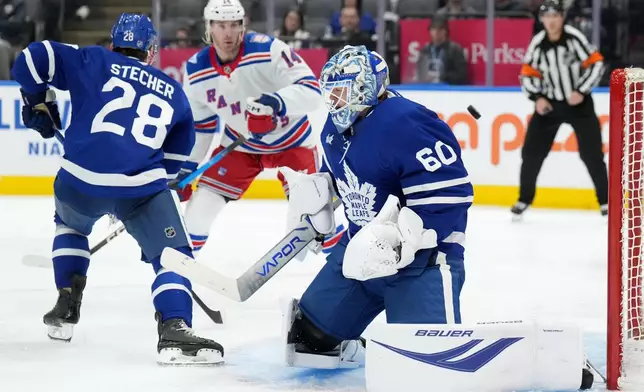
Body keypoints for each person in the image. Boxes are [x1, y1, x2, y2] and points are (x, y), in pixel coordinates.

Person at [11, 13, 223, 365]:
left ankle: (66, 303)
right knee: (172, 256)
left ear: (113, 44)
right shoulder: (172, 90)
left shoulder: (92, 58)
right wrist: (147, 198)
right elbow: (172, 162)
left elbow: (31, 59)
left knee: (71, 227)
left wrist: (36, 100)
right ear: (151, 51)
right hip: (139, 190)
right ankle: (174, 328)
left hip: (76, 180)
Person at [278, 45, 473, 368]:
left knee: (425, 366)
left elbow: (450, 194)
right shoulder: (333, 128)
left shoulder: (406, 122)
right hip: (357, 255)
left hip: (418, 263)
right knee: (310, 339)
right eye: (330, 94)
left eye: (340, 93)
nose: (332, 102)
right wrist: (320, 192)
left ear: (366, 88)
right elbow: (354, 177)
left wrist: (403, 240)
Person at [177, 0, 336, 257]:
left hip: (292, 142)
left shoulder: (270, 50)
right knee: (198, 211)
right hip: (241, 146)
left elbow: (313, 91)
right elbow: (203, 127)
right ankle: (178, 272)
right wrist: (187, 165)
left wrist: (276, 103)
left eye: (233, 25)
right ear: (209, 28)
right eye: (220, 25)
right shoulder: (196, 70)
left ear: (243, 26)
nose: (227, 33)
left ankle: (341, 274)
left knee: (318, 219)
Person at [514, 0, 607, 218]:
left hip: (579, 105)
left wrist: (582, 91)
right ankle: (524, 199)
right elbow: (527, 74)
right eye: (547, 17)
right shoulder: (538, 43)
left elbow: (596, 63)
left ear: (562, 18)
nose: (551, 21)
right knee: (531, 153)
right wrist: (537, 97)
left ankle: (605, 201)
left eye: (555, 16)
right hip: (550, 106)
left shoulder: (574, 38)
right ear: (542, 19)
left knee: (592, 154)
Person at [415, 17, 469, 84]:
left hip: (448, 89)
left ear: (445, 31)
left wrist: (443, 77)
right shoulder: (425, 50)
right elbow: (419, 72)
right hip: (428, 88)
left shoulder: (455, 49)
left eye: (440, 29)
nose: (436, 32)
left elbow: (462, 75)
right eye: (433, 29)